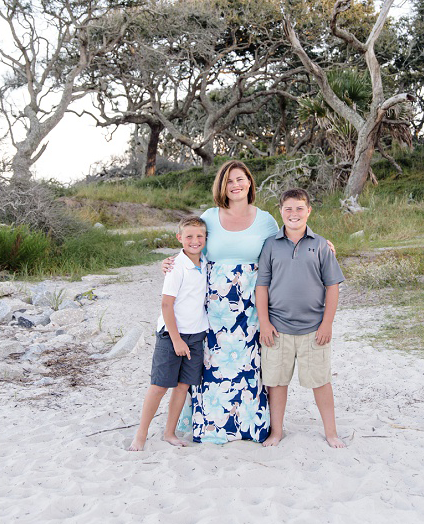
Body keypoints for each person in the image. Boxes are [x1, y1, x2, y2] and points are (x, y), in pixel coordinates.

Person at [162, 160, 278, 443]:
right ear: (222, 187)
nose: (235, 185)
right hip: (213, 305)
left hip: (250, 305)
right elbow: (192, 247)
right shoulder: (210, 217)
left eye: (240, 179)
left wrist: (323, 244)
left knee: (250, 363)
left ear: (250, 182)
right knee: (212, 363)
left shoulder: (265, 220)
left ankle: (249, 426)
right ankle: (211, 426)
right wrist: (169, 262)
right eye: (229, 181)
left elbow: (285, 248)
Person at [256, 188, 346, 448]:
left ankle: (330, 432)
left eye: (299, 208)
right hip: (277, 328)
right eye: (288, 209)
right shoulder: (271, 245)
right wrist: (264, 322)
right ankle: (276, 431)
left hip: (313, 329)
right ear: (280, 211)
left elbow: (332, 286)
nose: (293, 213)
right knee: (276, 382)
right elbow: (262, 285)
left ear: (309, 211)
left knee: (320, 381)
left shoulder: (320, 245)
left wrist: (327, 323)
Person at [128, 216, 209, 450]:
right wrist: (176, 340)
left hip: (196, 335)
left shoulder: (204, 263)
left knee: (183, 386)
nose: (195, 241)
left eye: (200, 236)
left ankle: (169, 432)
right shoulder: (176, 266)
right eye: (189, 236)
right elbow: (166, 305)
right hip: (171, 335)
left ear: (205, 239)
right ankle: (140, 435)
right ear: (179, 238)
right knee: (160, 385)